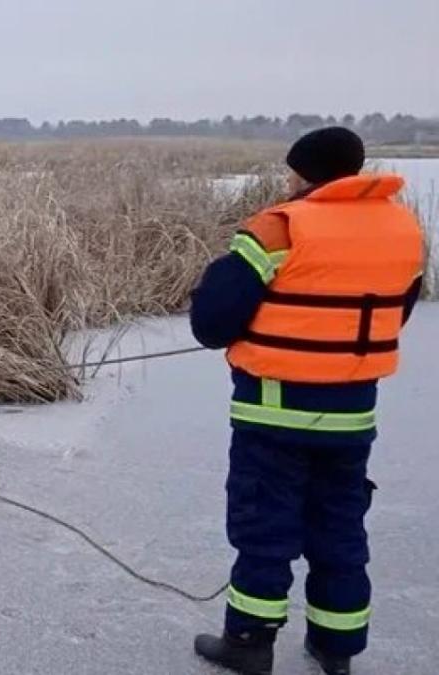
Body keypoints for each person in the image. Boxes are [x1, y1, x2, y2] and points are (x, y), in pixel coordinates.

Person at [189, 127, 425, 675]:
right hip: (351, 416)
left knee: (264, 527)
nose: (287, 178)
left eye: (292, 169)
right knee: (340, 529)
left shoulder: (279, 226)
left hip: (272, 412)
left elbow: (213, 321)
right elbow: (392, 313)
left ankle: (248, 642)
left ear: (305, 172)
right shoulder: (403, 229)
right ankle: (335, 649)